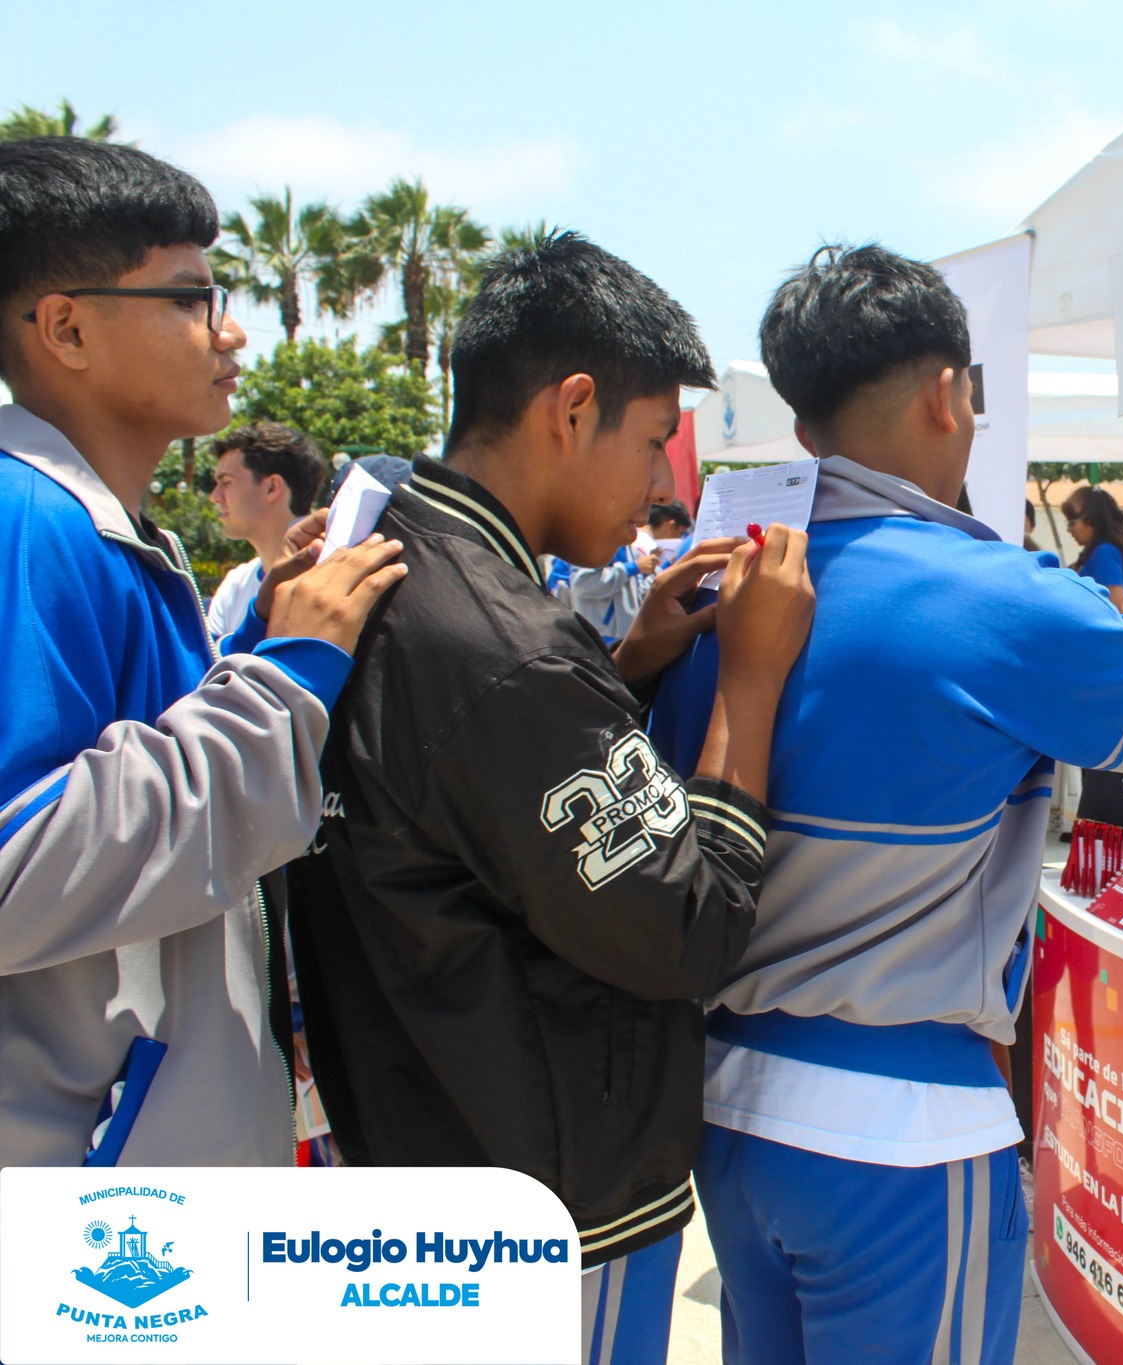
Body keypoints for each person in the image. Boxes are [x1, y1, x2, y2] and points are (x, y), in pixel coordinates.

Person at [648, 243, 1123, 1365]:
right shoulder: (990, 596)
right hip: (901, 1129)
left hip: (724, 1112)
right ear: (945, 393)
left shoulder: (704, 583)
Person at [285, 230, 814, 1365]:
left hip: (420, 1151)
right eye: (653, 439)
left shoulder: (395, 569)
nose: (661, 485)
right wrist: (751, 680)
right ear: (570, 409)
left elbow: (467, 803)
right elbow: (690, 923)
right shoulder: (509, 652)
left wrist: (623, 675)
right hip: (549, 1212)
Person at [0, 137, 403, 1168]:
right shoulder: (27, 521)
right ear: (66, 327)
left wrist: (266, 641)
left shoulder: (108, 529)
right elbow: (18, 862)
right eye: (187, 298)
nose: (228, 332)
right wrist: (285, 677)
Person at [204, 420, 328, 638]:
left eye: (226, 482)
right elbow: (211, 670)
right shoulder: (234, 586)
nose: (215, 497)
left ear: (272, 487)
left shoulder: (334, 577)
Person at [1061, 483, 1123, 611]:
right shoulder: (1098, 552)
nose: (1069, 530)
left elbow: (1119, 610)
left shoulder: (1105, 553)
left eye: (1071, 523)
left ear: (1090, 520)